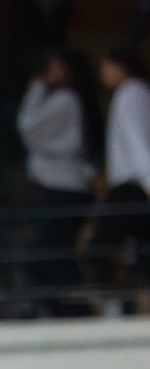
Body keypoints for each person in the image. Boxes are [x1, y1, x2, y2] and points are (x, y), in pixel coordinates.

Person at [17, 50, 98, 310]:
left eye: (56, 67)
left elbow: (28, 129)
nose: (50, 72)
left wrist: (36, 88)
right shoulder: (68, 99)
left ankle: (78, 313)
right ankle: (64, 312)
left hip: (65, 188)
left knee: (52, 256)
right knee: (49, 256)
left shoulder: (65, 99)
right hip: (63, 187)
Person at [95, 46, 150, 288]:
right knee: (138, 252)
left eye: (105, 65)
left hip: (132, 187)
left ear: (121, 66)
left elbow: (139, 141)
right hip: (133, 185)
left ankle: (115, 303)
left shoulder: (131, 93)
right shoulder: (135, 92)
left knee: (100, 248)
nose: (102, 72)